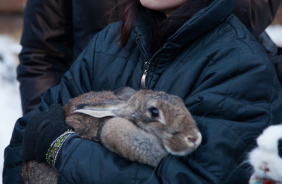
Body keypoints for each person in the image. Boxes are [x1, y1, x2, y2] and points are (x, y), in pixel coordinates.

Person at [4, 0, 282, 183]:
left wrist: (62, 148)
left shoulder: (240, 68)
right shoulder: (108, 43)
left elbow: (190, 178)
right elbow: (27, 137)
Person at [17, 0, 281, 115]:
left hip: (195, 89)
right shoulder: (100, 48)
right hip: (90, 89)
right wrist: (51, 136)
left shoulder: (238, 66)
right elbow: (42, 55)